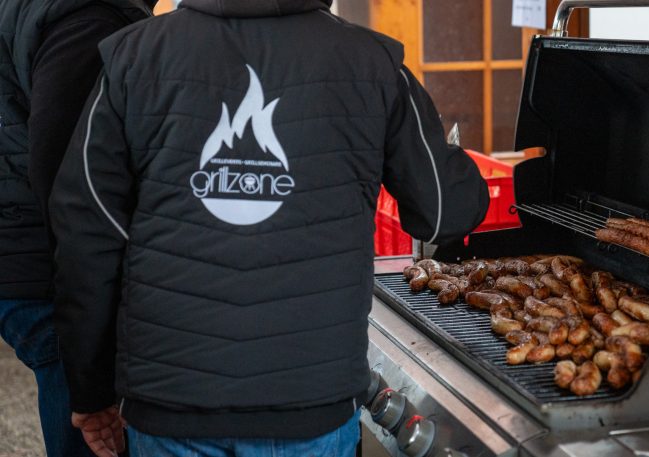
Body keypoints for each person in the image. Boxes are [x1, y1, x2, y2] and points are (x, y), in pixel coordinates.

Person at [49, 0, 489, 456]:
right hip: (310, 405)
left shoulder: (133, 57)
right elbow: (446, 212)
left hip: (171, 407)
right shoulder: (371, 62)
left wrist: (91, 392)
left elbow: (85, 236)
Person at [0, 1, 151, 455]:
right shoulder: (93, 16)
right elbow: (72, 187)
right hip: (52, 270)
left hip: (27, 248)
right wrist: (94, 384)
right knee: (89, 420)